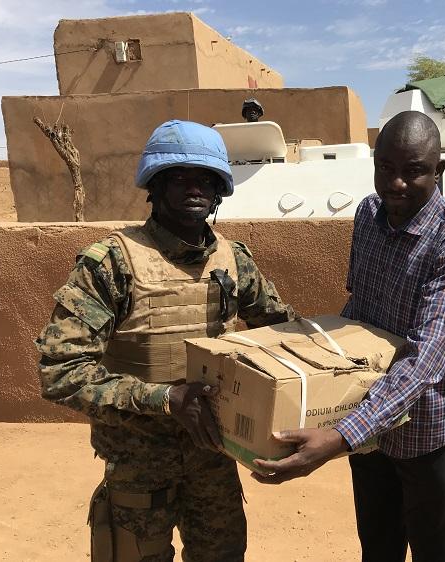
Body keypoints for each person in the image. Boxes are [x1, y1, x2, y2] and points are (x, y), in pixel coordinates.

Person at [35, 119, 295, 562]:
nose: (194, 188)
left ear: (220, 190)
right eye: (179, 177)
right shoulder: (112, 263)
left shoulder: (233, 260)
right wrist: (165, 399)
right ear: (153, 186)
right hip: (138, 459)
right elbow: (61, 373)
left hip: (213, 454)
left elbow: (286, 332)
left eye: (206, 179)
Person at [252, 111, 445, 562]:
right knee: (378, 541)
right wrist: (315, 371)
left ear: (438, 170)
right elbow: (358, 307)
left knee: (435, 549)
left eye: (413, 171)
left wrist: (341, 436)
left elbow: (424, 359)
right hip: (364, 407)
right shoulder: (368, 214)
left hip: (427, 420)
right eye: (386, 168)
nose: (396, 183)